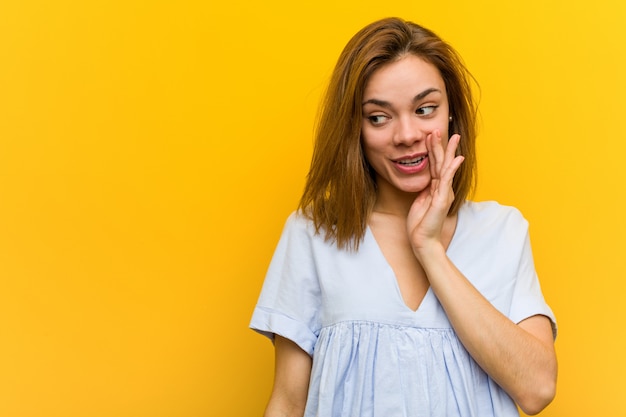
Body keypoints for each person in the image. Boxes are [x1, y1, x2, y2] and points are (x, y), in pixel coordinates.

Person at [250, 17, 557, 417]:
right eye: (379, 117)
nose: (406, 134)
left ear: (451, 114)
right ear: (354, 129)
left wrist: (429, 249)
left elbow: (537, 389)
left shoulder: (502, 232)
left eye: (425, 109)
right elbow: (289, 402)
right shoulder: (314, 233)